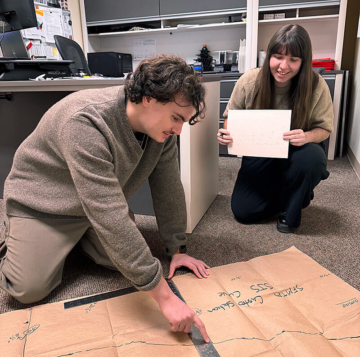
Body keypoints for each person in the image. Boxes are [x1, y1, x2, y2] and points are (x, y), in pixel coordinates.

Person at [0, 54, 210, 342]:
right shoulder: (85, 120)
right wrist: (166, 299)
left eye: (183, 121)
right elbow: (110, 214)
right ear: (148, 97)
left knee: (130, 262)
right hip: (43, 205)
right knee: (26, 290)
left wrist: (177, 247)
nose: (178, 129)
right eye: (176, 118)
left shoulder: (162, 133)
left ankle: (74, 242)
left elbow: (168, 186)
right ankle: (17, 235)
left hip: (94, 204)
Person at [217, 24, 334, 233]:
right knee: (244, 212)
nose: (283, 66)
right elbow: (229, 119)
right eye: (278, 56)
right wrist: (227, 133)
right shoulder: (249, 81)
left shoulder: (316, 85)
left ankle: (292, 208)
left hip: (299, 150)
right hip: (261, 151)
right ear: (268, 55)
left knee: (311, 158)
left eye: (293, 59)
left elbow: (324, 129)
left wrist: (306, 136)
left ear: (303, 62)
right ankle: (297, 194)